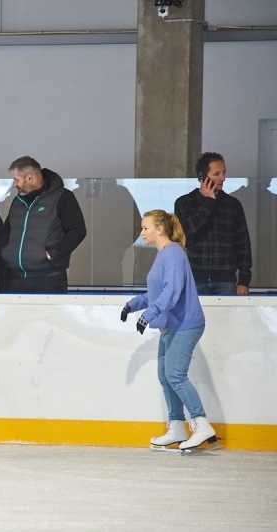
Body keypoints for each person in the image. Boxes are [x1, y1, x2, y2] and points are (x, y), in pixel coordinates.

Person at [121, 209, 216, 451]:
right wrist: (133, 305)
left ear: (160, 229)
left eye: (145, 228)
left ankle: (202, 424)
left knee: (175, 375)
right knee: (166, 376)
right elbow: (157, 292)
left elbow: (172, 291)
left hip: (185, 324)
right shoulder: (164, 254)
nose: (142, 232)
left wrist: (148, 315)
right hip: (171, 325)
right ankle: (176, 426)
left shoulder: (173, 253)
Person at [1, 156, 86, 293]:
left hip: (49, 279)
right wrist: (6, 252)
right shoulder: (17, 202)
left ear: (29, 178)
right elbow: (7, 230)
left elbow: (78, 230)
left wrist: (54, 253)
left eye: (16, 179)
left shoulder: (62, 197)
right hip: (17, 279)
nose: (14, 184)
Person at [174, 152, 252, 295]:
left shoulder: (233, 205)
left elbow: (243, 244)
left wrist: (244, 280)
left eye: (224, 173)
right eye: (217, 174)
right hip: (194, 278)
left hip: (226, 280)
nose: (223, 178)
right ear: (202, 176)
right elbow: (186, 232)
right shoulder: (184, 203)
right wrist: (208, 202)